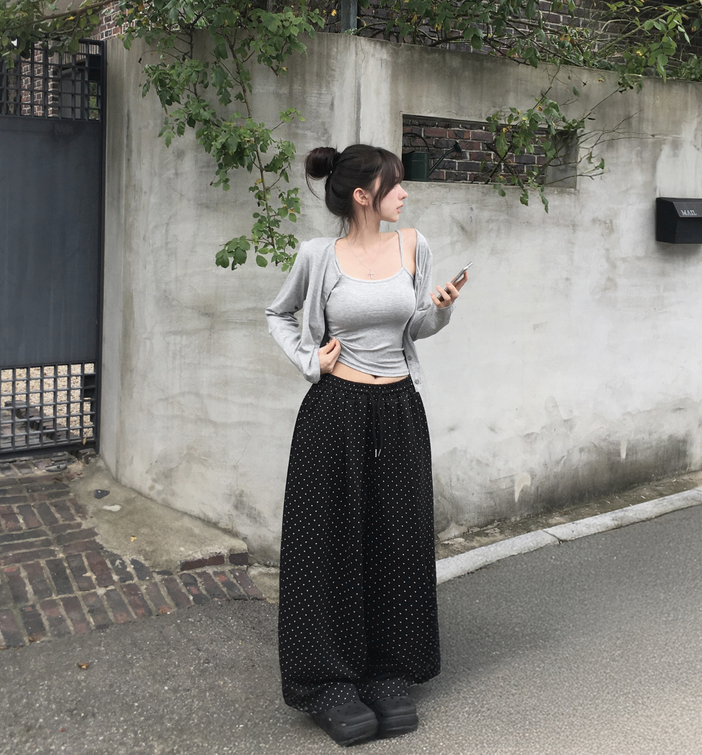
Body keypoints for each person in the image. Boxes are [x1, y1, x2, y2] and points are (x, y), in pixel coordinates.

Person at [265, 143, 469, 746]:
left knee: (397, 538)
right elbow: (278, 314)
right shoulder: (318, 256)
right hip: (335, 411)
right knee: (326, 544)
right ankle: (328, 682)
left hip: (400, 409)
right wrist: (312, 361)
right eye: (394, 184)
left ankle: (387, 672)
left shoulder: (414, 246)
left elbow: (415, 327)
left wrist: (440, 310)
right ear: (362, 195)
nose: (404, 193)